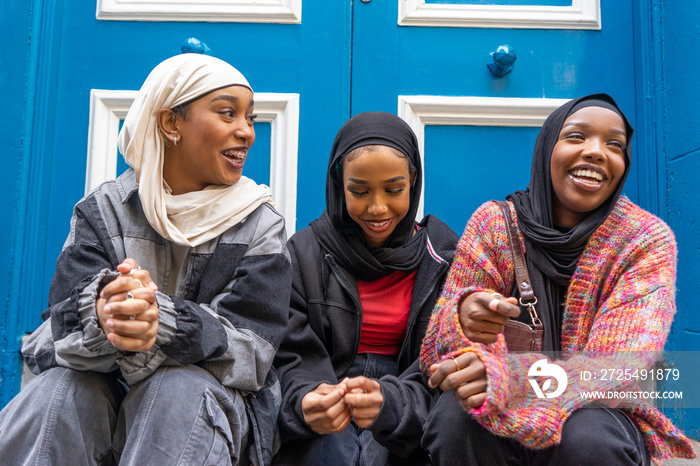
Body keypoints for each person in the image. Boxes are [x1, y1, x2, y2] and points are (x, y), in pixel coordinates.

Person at [0, 53, 292, 466]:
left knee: (176, 392)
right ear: (171, 124)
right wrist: (107, 314)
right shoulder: (104, 210)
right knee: (63, 390)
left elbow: (254, 353)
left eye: (249, 117)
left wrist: (164, 326)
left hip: (202, 412)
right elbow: (50, 340)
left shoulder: (259, 224)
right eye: (228, 114)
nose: (246, 131)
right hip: (100, 395)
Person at [420, 93, 696, 465]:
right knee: (456, 419)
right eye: (577, 136)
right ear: (547, 147)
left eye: (614, 144)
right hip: (497, 411)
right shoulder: (495, 225)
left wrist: (507, 378)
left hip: (599, 412)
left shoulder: (644, 241)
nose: (597, 152)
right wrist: (462, 320)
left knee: (587, 437)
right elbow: (438, 352)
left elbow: (615, 366)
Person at [272, 112, 459, 465]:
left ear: (414, 182)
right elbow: (288, 354)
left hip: (410, 402)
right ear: (338, 184)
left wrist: (391, 404)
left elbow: (445, 363)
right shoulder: (303, 253)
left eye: (394, 190)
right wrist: (307, 400)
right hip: (326, 395)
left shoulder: (445, 258)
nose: (377, 208)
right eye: (359, 191)